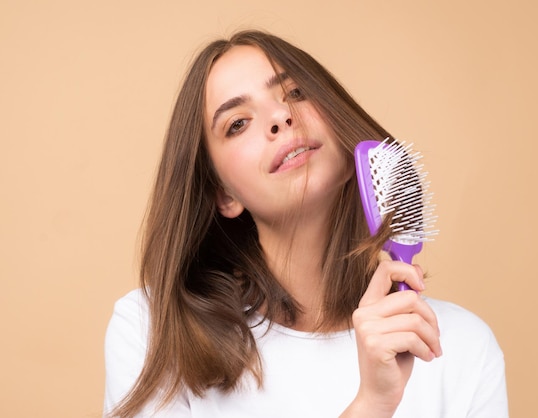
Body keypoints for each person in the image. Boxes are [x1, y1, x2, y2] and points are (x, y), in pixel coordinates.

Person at [103, 30, 508, 417]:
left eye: (295, 93)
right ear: (223, 195)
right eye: (237, 123)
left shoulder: (460, 345)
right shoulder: (157, 331)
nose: (280, 117)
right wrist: (372, 405)